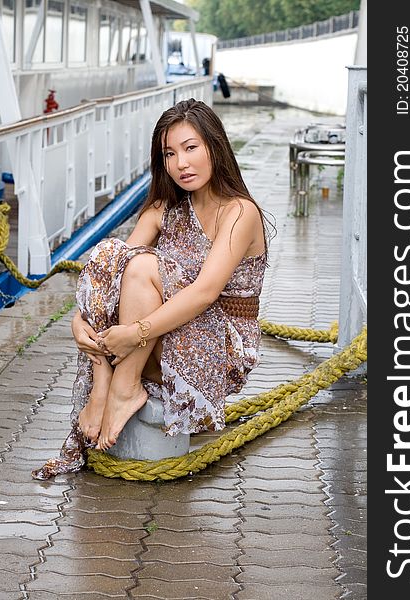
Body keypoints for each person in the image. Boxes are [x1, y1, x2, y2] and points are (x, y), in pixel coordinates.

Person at [32, 98, 270, 480]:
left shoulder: (239, 212)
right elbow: (108, 270)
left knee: (143, 266)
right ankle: (105, 383)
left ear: (215, 146)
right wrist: (79, 323)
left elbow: (205, 293)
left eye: (191, 148)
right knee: (112, 253)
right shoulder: (163, 208)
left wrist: (134, 333)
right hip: (168, 336)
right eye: (169, 154)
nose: (181, 164)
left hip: (221, 346)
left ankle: (122, 386)